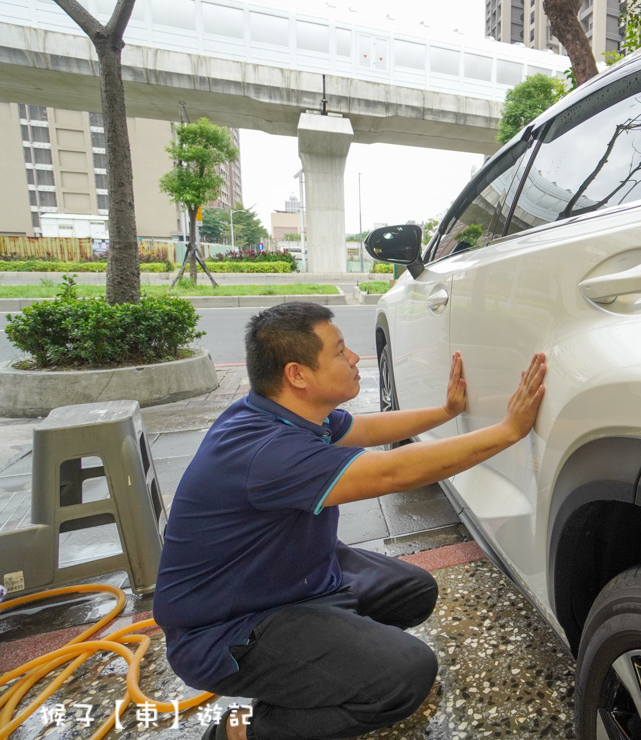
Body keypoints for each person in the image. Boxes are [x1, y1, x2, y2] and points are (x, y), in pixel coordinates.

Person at [152, 302, 547, 740]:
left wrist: (446, 412)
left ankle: (316, 674)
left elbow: (368, 429)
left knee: (413, 591)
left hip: (288, 579)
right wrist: (509, 431)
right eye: (340, 352)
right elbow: (395, 471)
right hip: (228, 627)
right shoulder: (266, 452)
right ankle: (241, 731)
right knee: (406, 675)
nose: (356, 358)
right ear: (297, 374)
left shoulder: (280, 412)